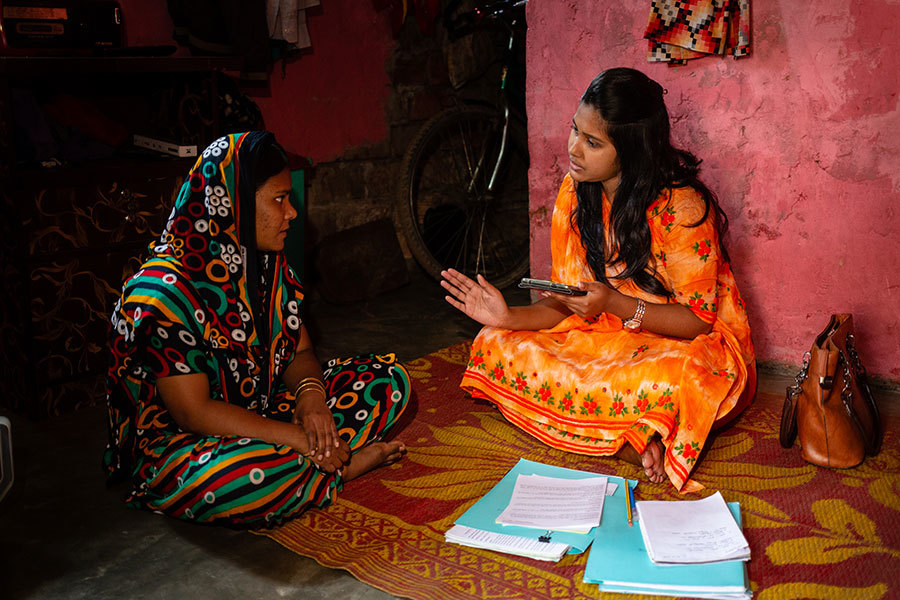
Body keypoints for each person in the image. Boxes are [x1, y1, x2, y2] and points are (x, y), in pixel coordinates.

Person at [441, 68, 755, 492]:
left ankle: (622, 433)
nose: (573, 148)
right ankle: (632, 439)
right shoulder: (575, 191)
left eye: (592, 142)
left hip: (682, 343)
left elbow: (698, 322)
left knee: (685, 376)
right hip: (603, 335)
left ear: (630, 149)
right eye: (574, 130)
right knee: (494, 342)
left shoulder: (680, 206)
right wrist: (506, 315)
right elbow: (561, 302)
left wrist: (614, 305)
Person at [103, 131, 410, 526]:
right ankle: (337, 468)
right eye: (279, 199)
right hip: (185, 444)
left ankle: (310, 463)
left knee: (388, 379)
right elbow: (193, 413)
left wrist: (311, 399)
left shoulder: (266, 266)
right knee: (235, 480)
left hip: (261, 411)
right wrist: (301, 438)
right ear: (234, 204)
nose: (292, 213)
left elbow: (299, 353)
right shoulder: (163, 293)